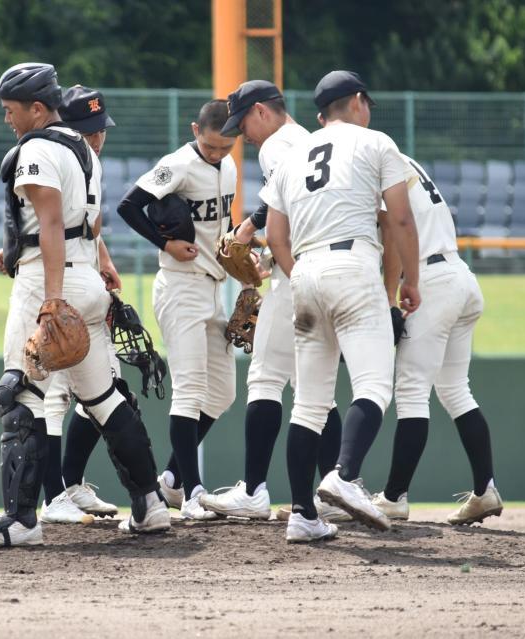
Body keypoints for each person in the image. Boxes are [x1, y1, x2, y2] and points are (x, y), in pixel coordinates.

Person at [0, 63, 170, 547]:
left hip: (47, 284)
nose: (7, 120)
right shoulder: (84, 150)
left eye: (11, 111)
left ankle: (21, 522)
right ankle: (150, 505)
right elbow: (88, 227)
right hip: (86, 280)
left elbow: (52, 223)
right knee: (104, 398)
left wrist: (51, 296)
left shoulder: (36, 148)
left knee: (20, 396)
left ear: (36, 108)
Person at [262, 70, 421, 542]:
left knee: (308, 405)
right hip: (352, 262)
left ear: (319, 115)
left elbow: (274, 235)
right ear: (356, 102)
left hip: (304, 271)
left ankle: (300, 515)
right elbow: (400, 218)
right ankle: (344, 475)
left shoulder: (293, 156)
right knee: (374, 385)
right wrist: (411, 280)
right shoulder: (375, 143)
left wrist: (304, 278)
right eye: (365, 101)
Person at [197, 80, 347, 523]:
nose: (243, 134)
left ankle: (253, 490)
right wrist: (267, 250)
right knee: (314, 391)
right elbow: (304, 208)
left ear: (262, 111)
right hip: (327, 269)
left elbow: (282, 191)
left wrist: (247, 228)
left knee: (264, 378)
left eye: (244, 123)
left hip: (296, 278)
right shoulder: (313, 140)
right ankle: (336, 486)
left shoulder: (277, 144)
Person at [117, 100, 238, 520]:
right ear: (195, 130)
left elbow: (219, 228)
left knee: (222, 393)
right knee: (189, 391)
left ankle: (169, 480)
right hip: (180, 287)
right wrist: (165, 243)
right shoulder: (179, 164)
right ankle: (192, 494)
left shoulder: (230, 168)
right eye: (211, 146)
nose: (217, 154)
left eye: (226, 147)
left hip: (213, 288)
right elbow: (128, 205)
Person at [370, 154, 503, 525]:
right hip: (461, 276)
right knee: (456, 390)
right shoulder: (404, 160)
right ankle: (485, 490)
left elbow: (395, 232)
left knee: (412, 391)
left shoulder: (376, 160)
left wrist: (388, 298)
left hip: (430, 278)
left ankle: (394, 497)